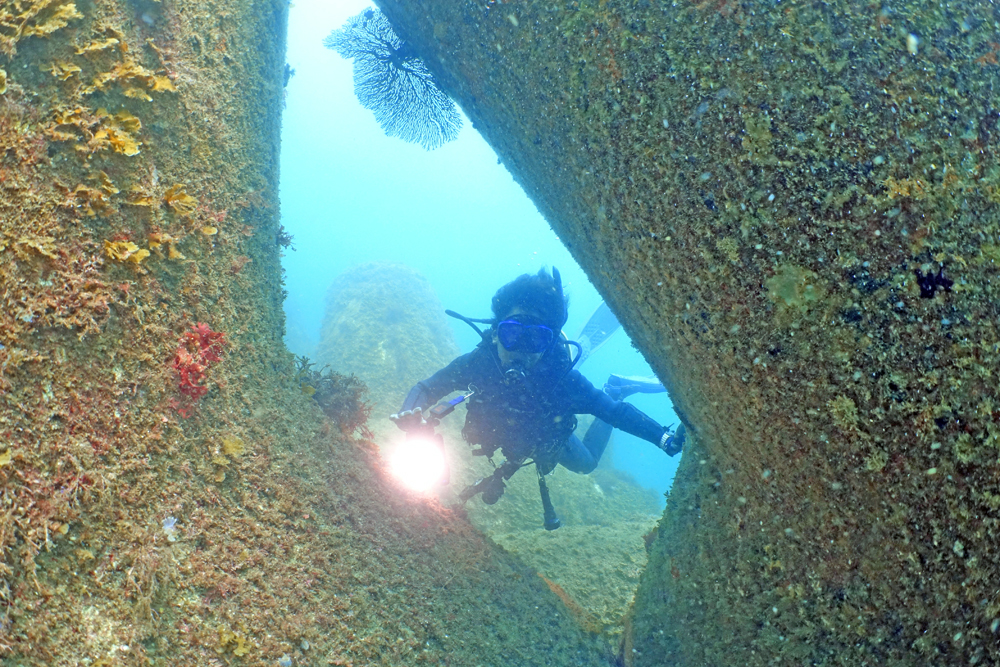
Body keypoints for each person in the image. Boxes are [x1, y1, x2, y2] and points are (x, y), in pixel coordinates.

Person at [390, 267, 684, 481]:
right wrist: (410, 413)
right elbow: (427, 388)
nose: (521, 350)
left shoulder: (563, 381)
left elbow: (615, 413)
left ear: (549, 343)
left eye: (537, 340)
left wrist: (663, 437)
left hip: (544, 435)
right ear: (495, 334)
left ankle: (615, 386)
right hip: (512, 436)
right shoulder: (478, 364)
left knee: (587, 464)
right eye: (512, 333)